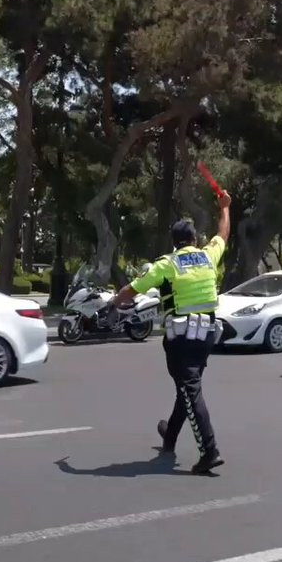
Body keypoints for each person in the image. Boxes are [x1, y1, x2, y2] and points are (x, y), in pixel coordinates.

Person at [110, 190, 231, 474]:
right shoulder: (208, 256)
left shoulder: (167, 264)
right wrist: (225, 207)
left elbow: (132, 289)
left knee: (190, 389)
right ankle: (170, 436)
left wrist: (113, 303)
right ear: (195, 240)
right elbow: (223, 234)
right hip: (206, 337)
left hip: (181, 339)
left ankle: (209, 451)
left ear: (175, 242)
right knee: (185, 389)